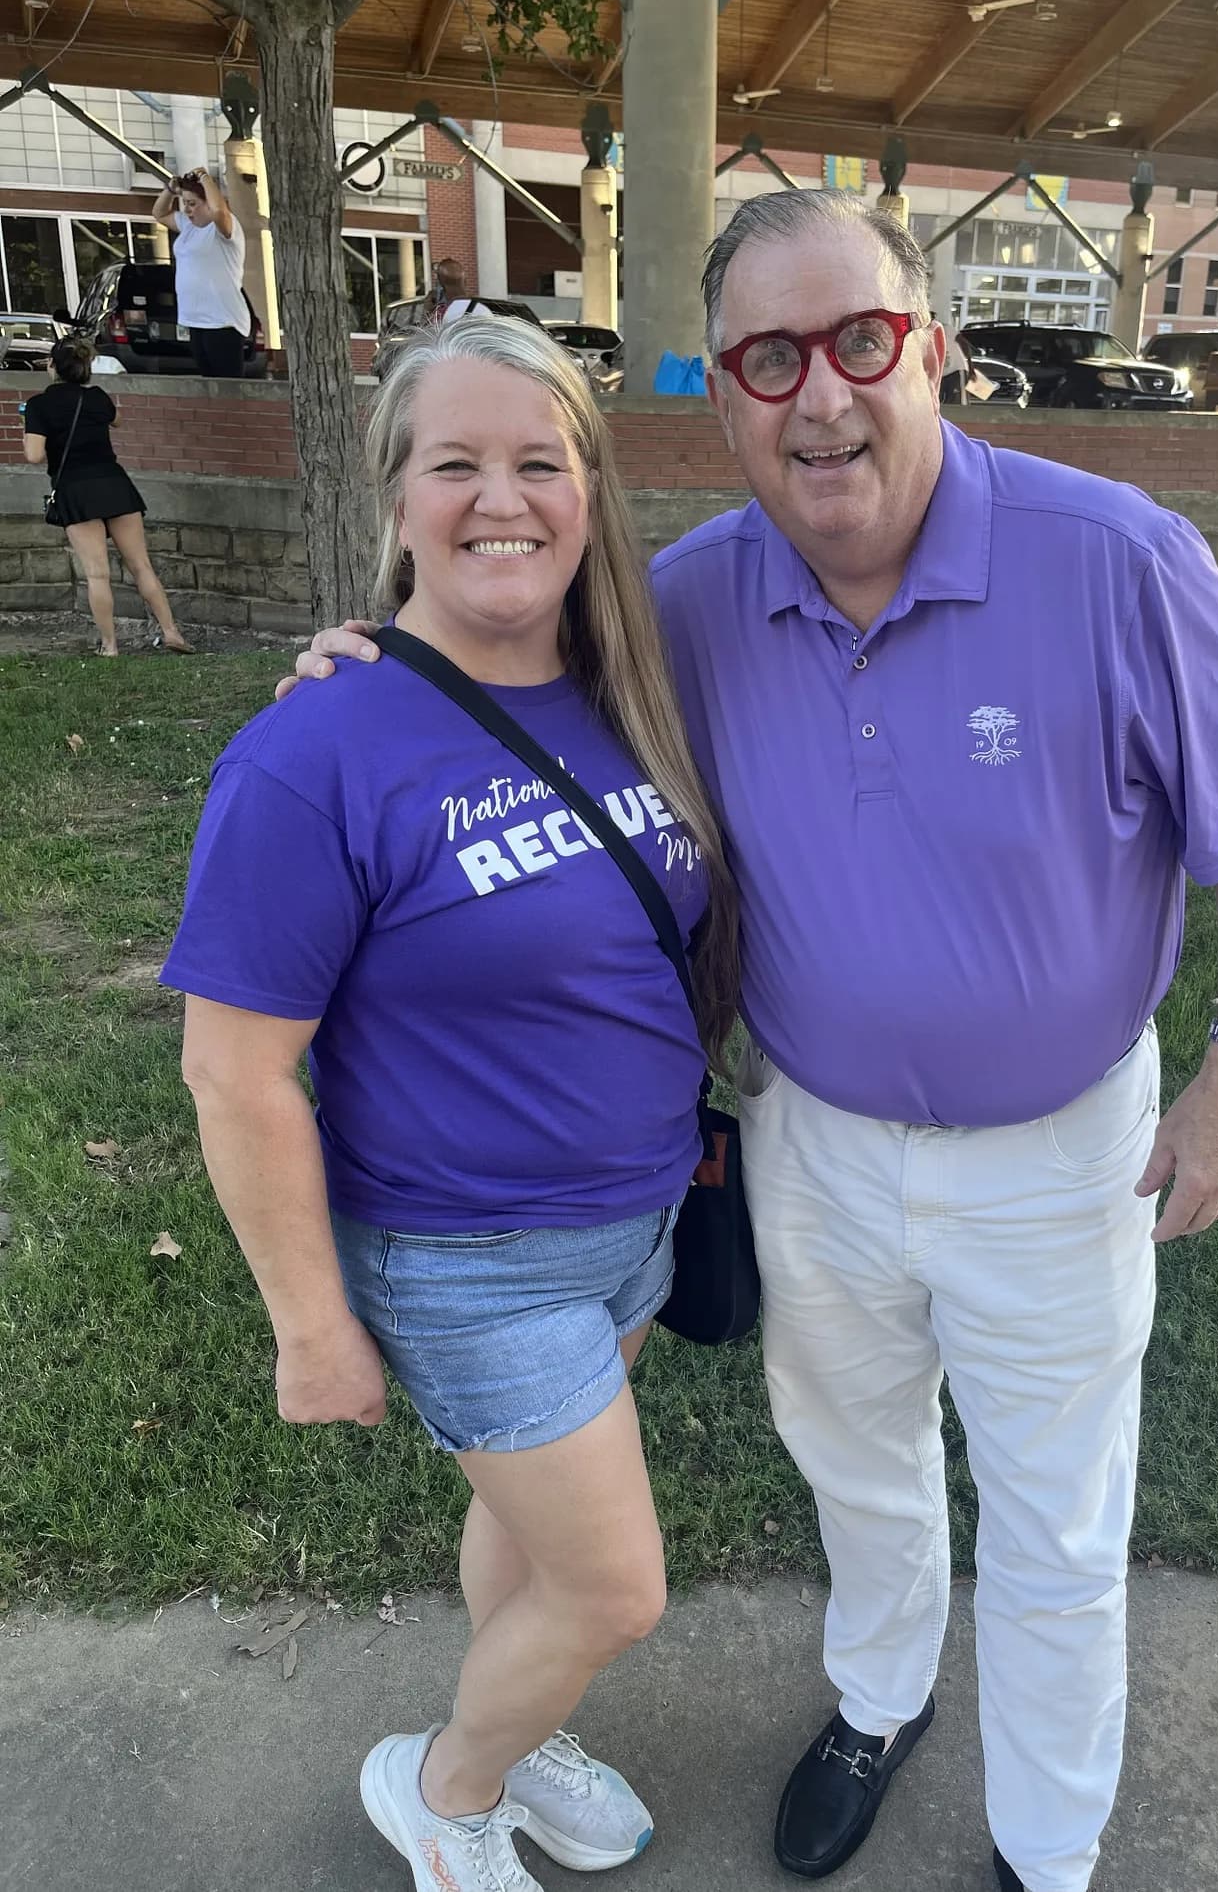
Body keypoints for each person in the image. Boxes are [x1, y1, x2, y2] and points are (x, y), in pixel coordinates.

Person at [284, 190, 1218, 1892]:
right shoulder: (684, 603)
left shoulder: (1118, 559)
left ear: (935, 349)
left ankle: (1045, 1849)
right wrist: (353, 669)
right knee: (856, 1460)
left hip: (1059, 1154)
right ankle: (877, 1696)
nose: (820, 397)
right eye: (769, 359)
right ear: (728, 400)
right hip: (811, 1135)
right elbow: (497, 674)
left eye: (858, 341)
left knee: (1060, 1521)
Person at [164, 313, 737, 1892]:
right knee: (617, 1586)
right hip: (466, 1255)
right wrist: (309, 1325)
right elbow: (234, 1068)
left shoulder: (626, 694)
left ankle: (518, 1712)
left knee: (540, 1546)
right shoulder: (315, 754)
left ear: (590, 490)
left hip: (631, 1223)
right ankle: (448, 1784)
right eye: (457, 463)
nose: (503, 498)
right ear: (395, 495)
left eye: (540, 461)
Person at [22, 335, 193, 656]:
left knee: (97, 573)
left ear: (52, 367)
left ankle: (110, 645)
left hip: (76, 490)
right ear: (86, 367)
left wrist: (28, 426)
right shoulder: (98, 397)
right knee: (141, 565)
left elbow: (33, 455)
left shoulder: (39, 405)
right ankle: (172, 632)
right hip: (115, 484)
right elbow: (116, 420)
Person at [152, 167, 250, 378]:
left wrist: (205, 178)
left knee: (227, 386)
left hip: (222, 321)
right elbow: (159, 214)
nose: (187, 209)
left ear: (208, 203)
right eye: (185, 203)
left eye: (193, 203)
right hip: (195, 320)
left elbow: (218, 211)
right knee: (207, 385)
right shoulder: (188, 226)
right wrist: (171, 189)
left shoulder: (224, 227)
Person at [934, 311, 968, 404]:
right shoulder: (924, 333)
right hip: (941, 374)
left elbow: (964, 344)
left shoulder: (945, 328)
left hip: (955, 370)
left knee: (957, 402)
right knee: (939, 401)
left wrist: (970, 366)